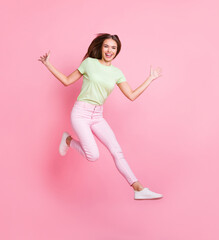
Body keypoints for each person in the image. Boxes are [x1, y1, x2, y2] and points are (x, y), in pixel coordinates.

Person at [38, 33, 163, 200]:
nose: (109, 50)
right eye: (106, 46)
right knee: (93, 155)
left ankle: (138, 188)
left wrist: (150, 79)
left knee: (117, 151)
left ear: (117, 51)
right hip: (81, 113)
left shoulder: (117, 73)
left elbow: (131, 95)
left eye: (113, 48)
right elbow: (67, 81)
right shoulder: (89, 63)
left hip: (98, 115)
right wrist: (48, 64)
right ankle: (68, 140)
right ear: (101, 48)